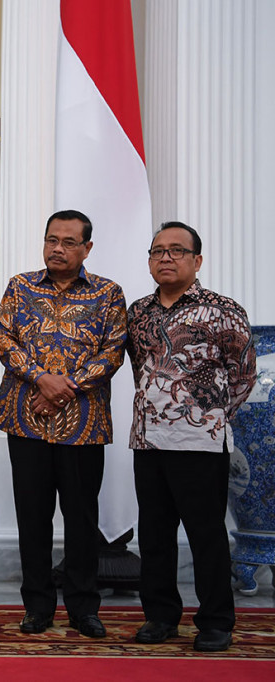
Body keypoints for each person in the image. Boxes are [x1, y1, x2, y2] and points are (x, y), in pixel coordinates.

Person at [0, 209, 127, 639]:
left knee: (82, 519)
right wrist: (41, 379)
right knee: (33, 517)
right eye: (52, 240)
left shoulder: (108, 294)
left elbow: (114, 351)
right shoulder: (21, 286)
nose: (58, 249)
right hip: (25, 423)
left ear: (87, 248)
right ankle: (37, 606)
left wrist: (66, 387)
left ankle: (84, 608)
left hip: (84, 424)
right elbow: (4, 339)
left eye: (68, 242)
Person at [127, 221, 255, 653]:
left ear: (197, 261)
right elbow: (139, 370)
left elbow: (243, 376)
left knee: (206, 535)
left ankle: (216, 621)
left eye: (177, 250)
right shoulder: (139, 312)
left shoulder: (222, 310)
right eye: (158, 251)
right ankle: (160, 616)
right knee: (155, 535)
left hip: (199, 441)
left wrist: (209, 415)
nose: (166, 257)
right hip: (147, 441)